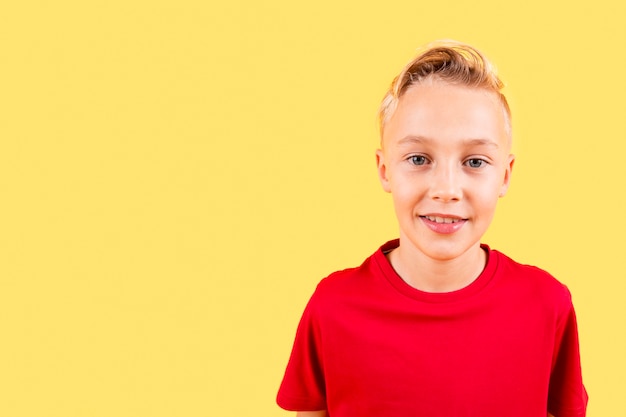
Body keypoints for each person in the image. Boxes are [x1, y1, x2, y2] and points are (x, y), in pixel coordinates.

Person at [276, 40, 588, 417]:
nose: (445, 190)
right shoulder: (333, 307)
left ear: (504, 175)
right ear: (384, 169)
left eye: (474, 161)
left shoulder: (547, 304)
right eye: (419, 158)